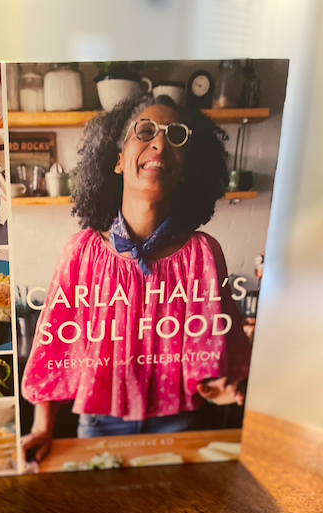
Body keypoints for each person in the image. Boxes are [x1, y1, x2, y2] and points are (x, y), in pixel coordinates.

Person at [21, 94, 252, 462]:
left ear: (185, 169)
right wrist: (41, 429)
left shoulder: (204, 254)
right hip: (99, 422)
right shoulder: (80, 253)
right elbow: (54, 352)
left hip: (179, 424)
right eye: (146, 131)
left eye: (176, 136)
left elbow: (223, 356)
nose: (160, 143)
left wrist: (227, 384)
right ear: (116, 159)